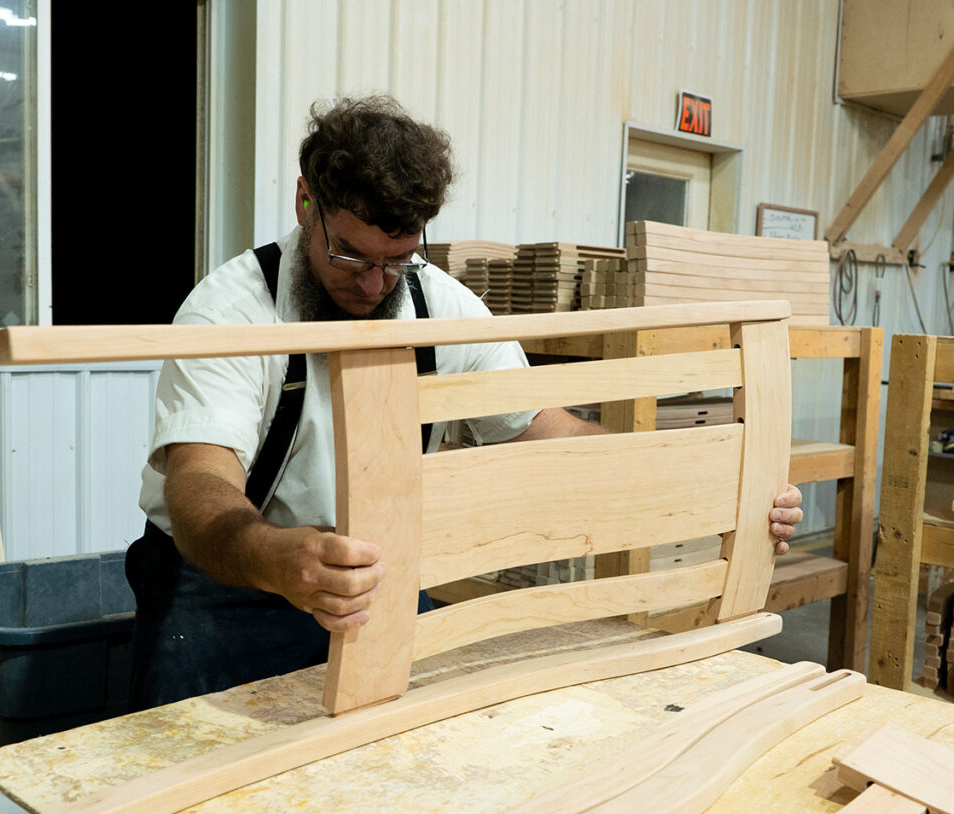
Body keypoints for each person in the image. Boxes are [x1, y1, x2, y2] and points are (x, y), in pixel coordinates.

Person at [125, 95, 803, 711]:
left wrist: (721, 482)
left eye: (397, 258)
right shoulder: (231, 313)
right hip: (229, 587)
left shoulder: (438, 306)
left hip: (375, 583)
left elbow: (541, 430)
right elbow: (200, 489)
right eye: (352, 256)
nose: (374, 284)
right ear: (307, 204)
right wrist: (277, 559)